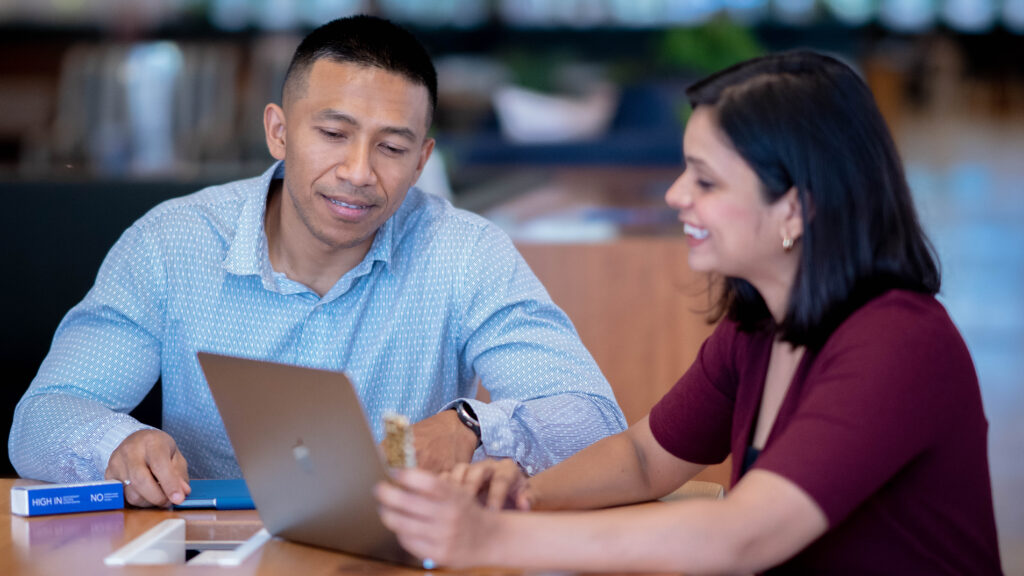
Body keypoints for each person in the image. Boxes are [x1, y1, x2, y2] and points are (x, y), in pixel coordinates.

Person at [375, 51, 1003, 574]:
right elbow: (645, 460)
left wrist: (488, 540)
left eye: (705, 180)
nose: (676, 195)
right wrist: (517, 497)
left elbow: (738, 539)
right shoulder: (758, 324)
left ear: (796, 208)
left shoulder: (897, 343)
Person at [8, 15, 625, 508]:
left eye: (391, 147)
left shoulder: (465, 252)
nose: (358, 173)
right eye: (332, 134)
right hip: (209, 549)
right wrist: (116, 442)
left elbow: (595, 419)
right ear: (279, 131)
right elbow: (40, 417)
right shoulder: (174, 243)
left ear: (421, 160)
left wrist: (472, 424)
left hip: (397, 556)